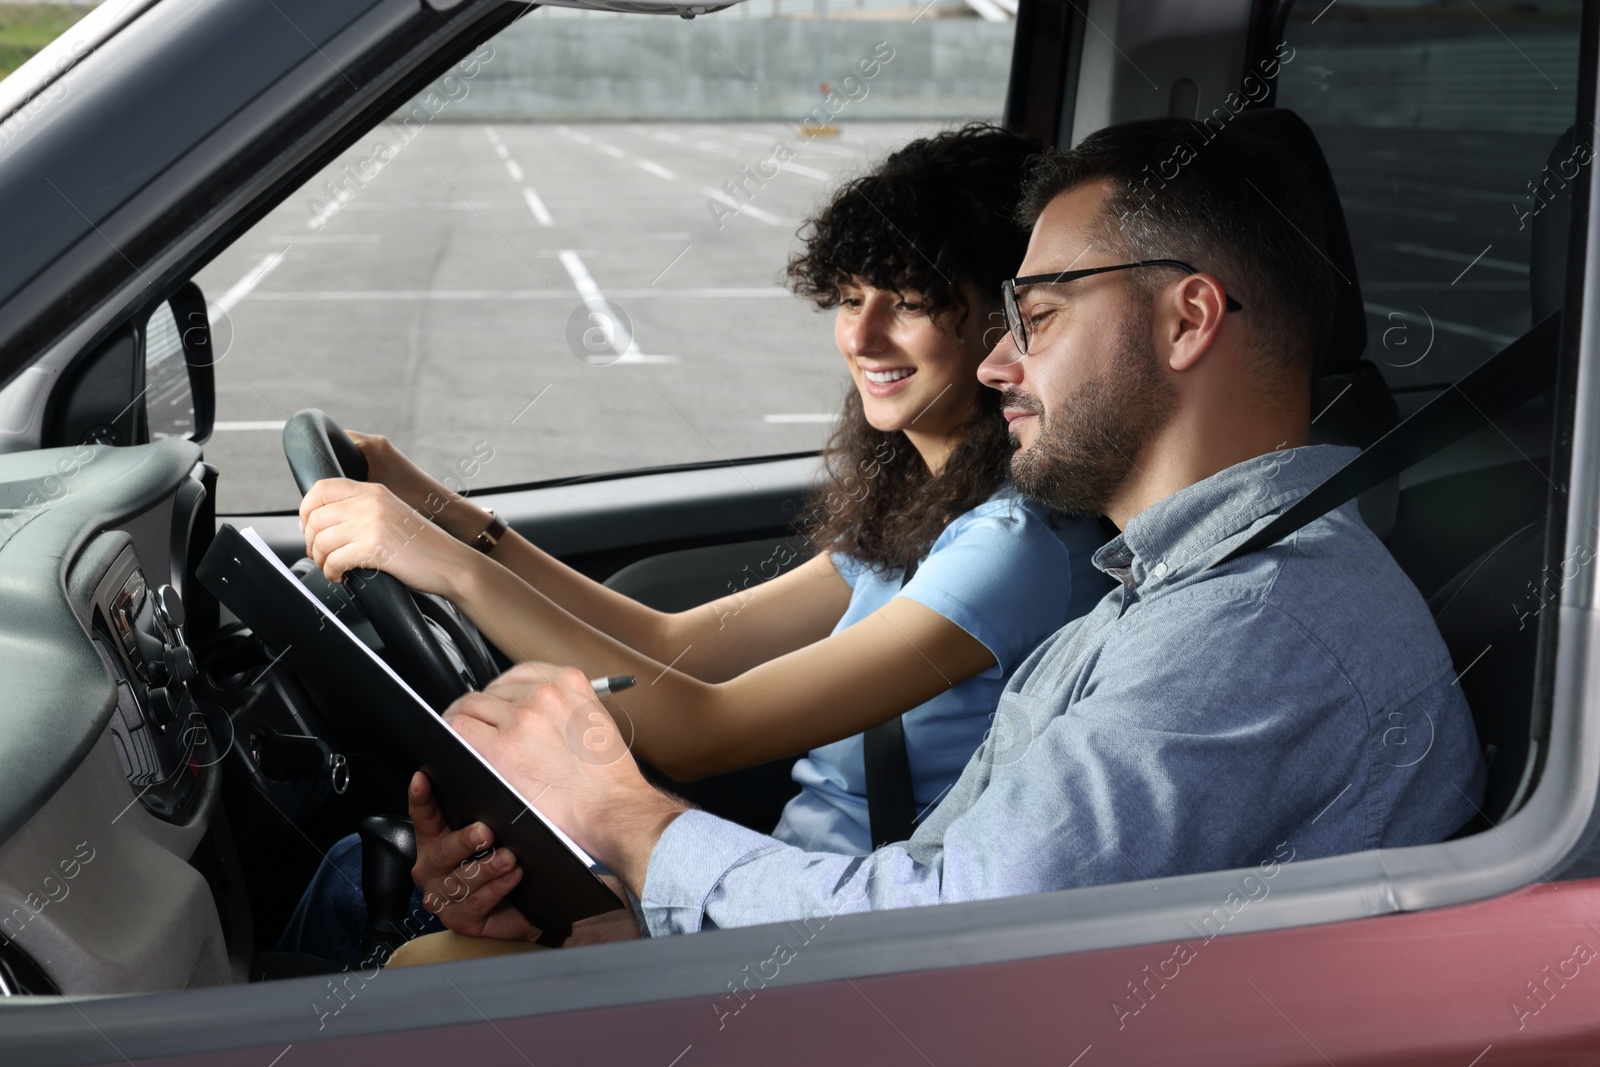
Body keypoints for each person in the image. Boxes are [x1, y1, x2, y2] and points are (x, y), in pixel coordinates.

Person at [396, 115, 1487, 954]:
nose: (1000, 364)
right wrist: (643, 912)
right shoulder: (1153, 595)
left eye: (1039, 317)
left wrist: (627, 823)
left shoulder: (1253, 627)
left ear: (1188, 317)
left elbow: (956, 935)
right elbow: (934, 878)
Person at [278, 125, 1112, 966]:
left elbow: (701, 728)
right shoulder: (927, 513)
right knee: (366, 870)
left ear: (1007, 320)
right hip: (774, 888)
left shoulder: (1017, 546)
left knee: (412, 947)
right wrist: (442, 511)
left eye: (911, 299)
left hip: (839, 939)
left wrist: (450, 567)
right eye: (852, 298)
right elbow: (676, 647)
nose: (863, 338)